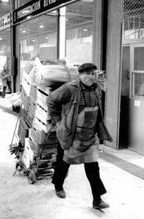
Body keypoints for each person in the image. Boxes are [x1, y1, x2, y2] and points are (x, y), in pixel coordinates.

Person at [47, 62, 112, 210]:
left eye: (93, 74)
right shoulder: (70, 88)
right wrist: (58, 122)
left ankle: (97, 200)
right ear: (80, 75)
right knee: (63, 162)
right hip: (71, 134)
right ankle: (58, 185)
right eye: (87, 74)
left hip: (90, 135)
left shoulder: (96, 89)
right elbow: (51, 100)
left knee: (93, 168)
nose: (91, 77)